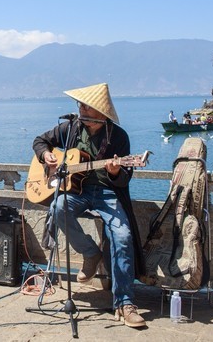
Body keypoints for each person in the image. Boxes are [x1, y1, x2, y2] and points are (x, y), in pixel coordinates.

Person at [32, 83, 146, 328]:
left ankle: (125, 303)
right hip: (77, 191)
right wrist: (46, 156)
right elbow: (40, 140)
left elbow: (125, 177)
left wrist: (115, 172)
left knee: (122, 236)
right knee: (57, 208)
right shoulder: (71, 127)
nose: (80, 108)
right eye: (81, 104)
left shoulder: (118, 136)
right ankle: (90, 253)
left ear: (100, 112)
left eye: (86, 105)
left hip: (107, 193)